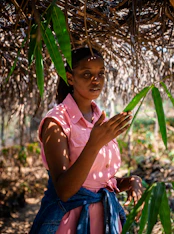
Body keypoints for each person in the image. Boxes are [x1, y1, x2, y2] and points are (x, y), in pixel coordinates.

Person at [29, 47, 143, 234]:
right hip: (71, 222)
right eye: (87, 74)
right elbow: (65, 191)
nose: (96, 80)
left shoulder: (100, 119)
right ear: (71, 78)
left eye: (101, 73)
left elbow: (99, 180)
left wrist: (130, 181)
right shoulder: (56, 122)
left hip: (107, 221)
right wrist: (94, 144)